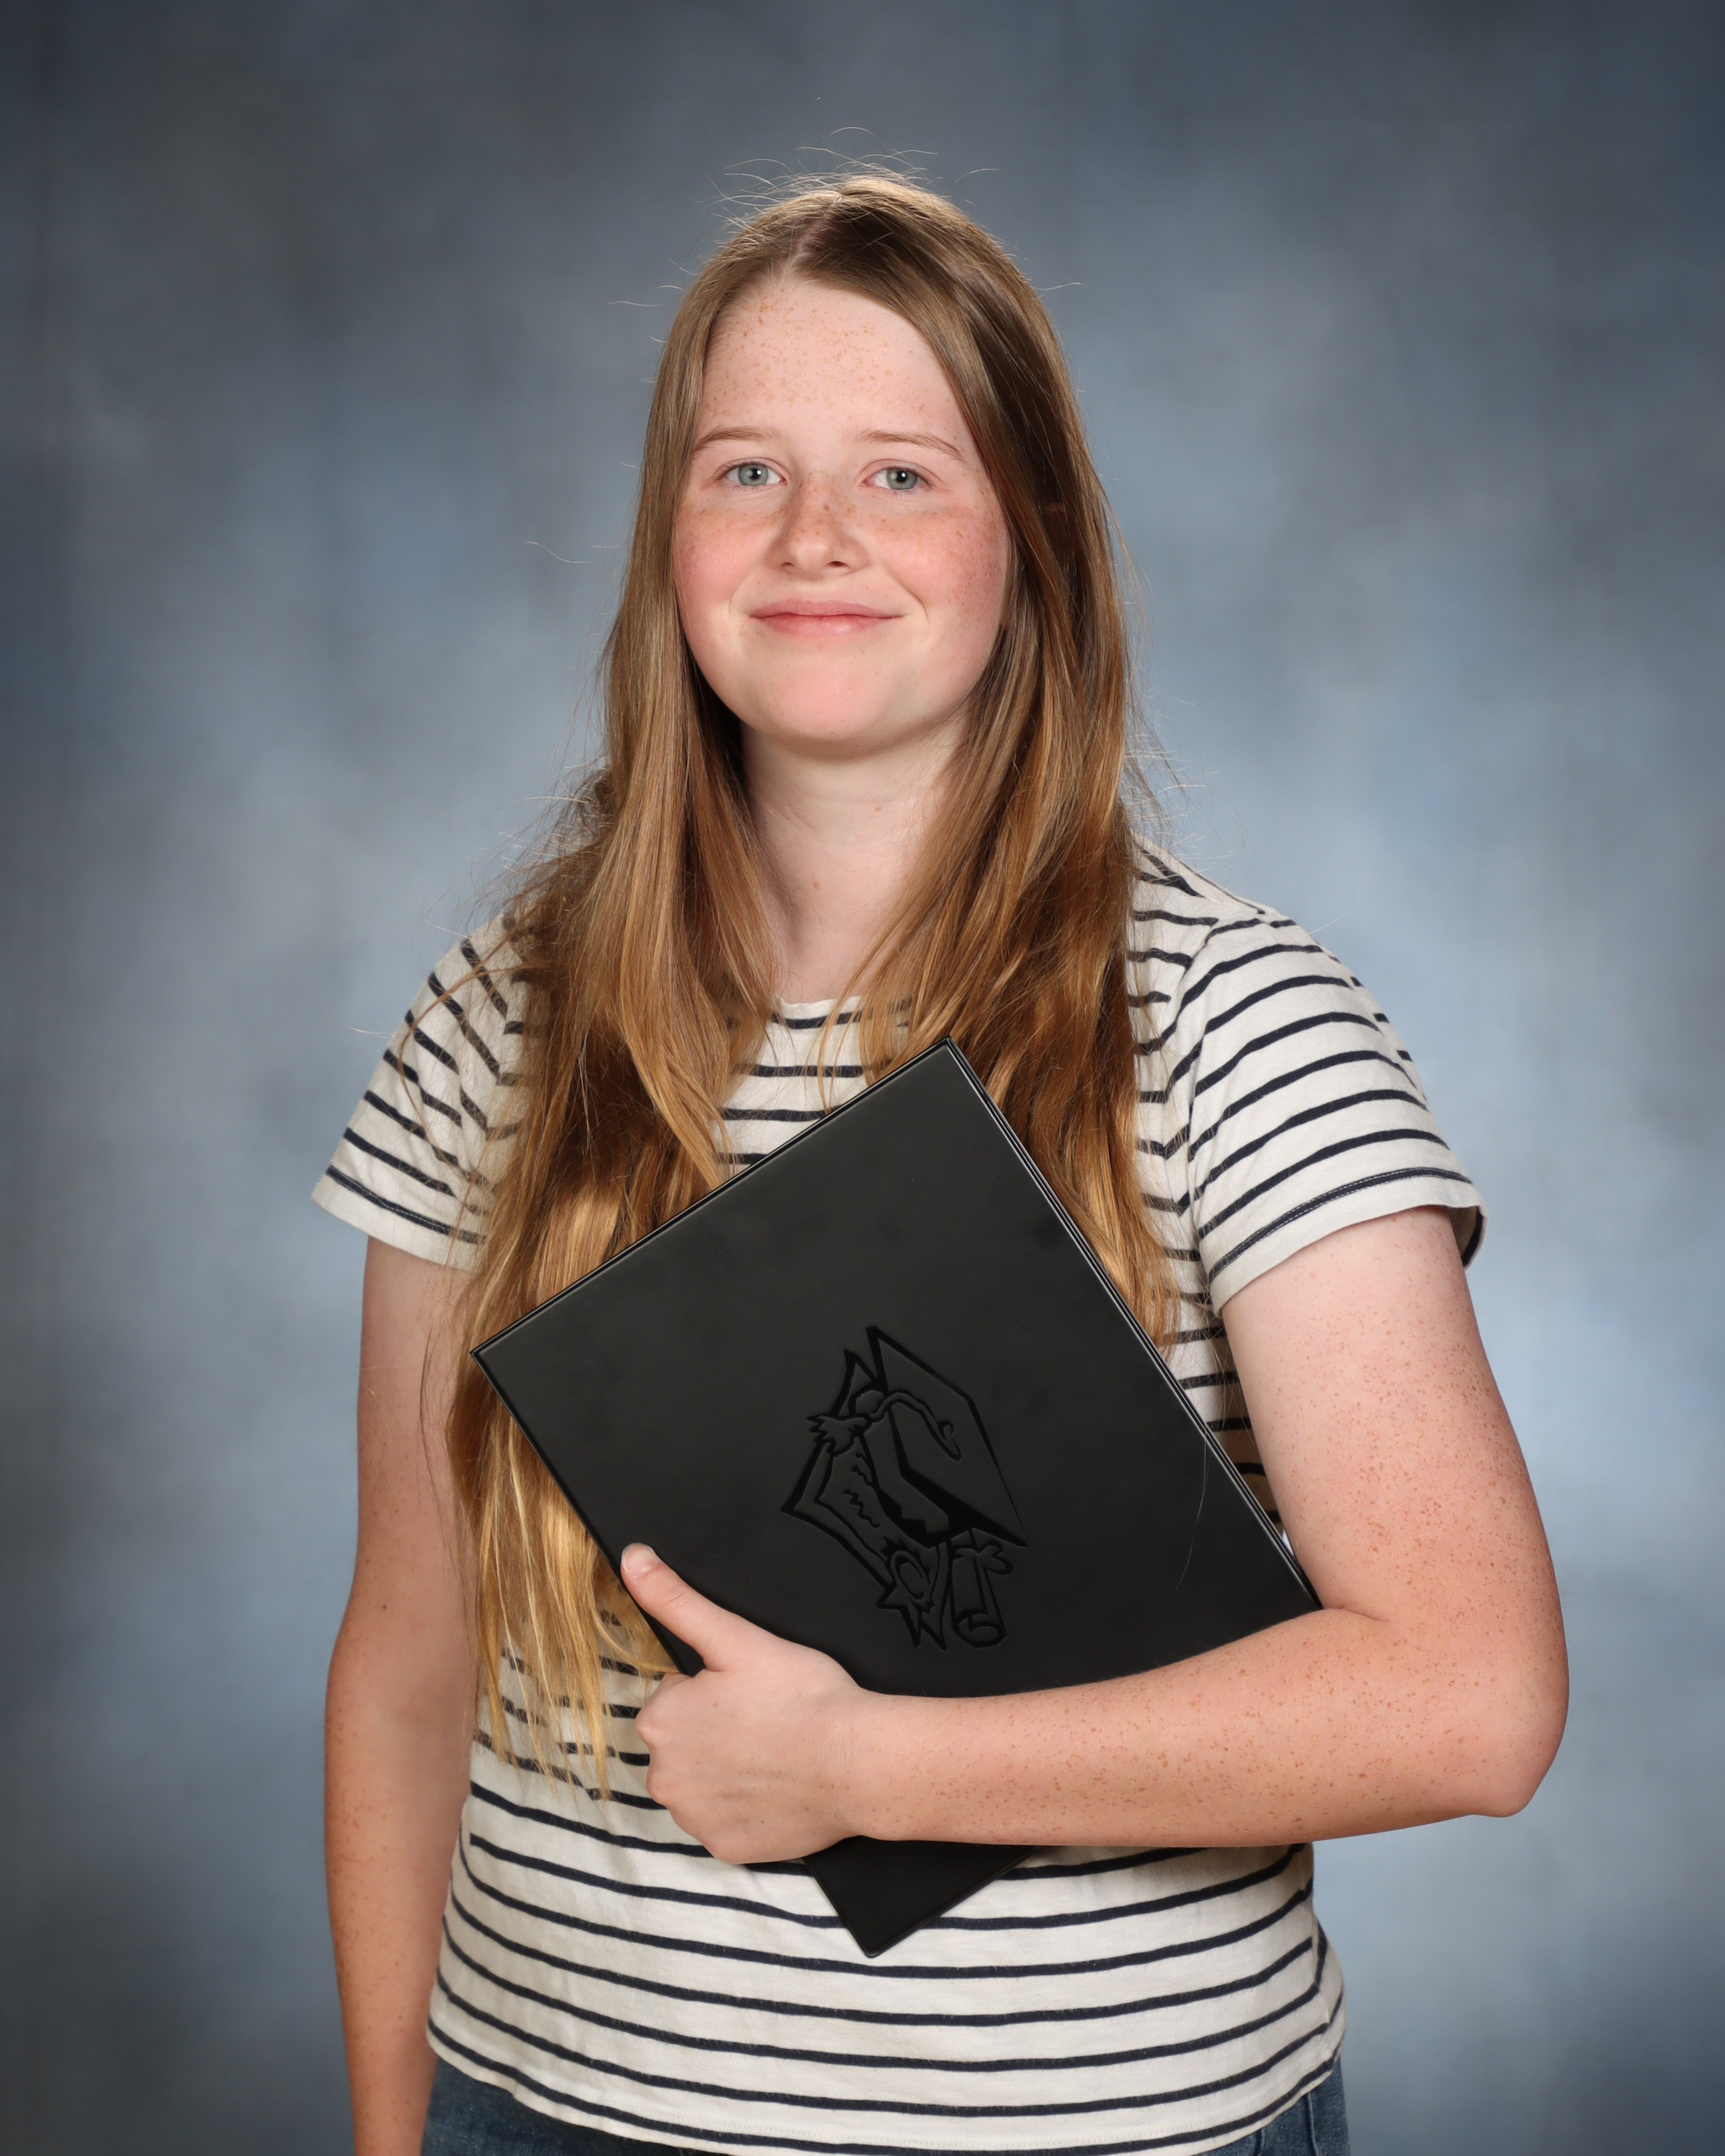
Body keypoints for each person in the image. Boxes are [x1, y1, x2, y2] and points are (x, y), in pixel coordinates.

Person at [315, 177, 1566, 2156]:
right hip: (541, 2108)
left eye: (901, 473)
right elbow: (405, 1657)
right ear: (667, 542)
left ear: (1031, 543)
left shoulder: (1231, 1025)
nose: (813, 535)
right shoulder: (500, 1018)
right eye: (746, 470)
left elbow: (1469, 1702)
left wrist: (867, 1768)